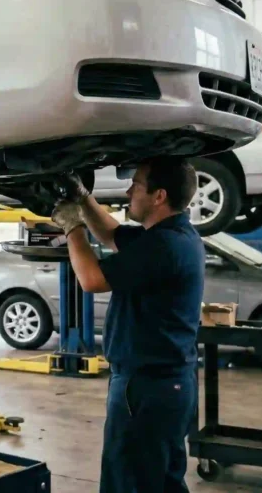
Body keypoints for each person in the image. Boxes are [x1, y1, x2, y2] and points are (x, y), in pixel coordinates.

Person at [51, 158, 203, 493]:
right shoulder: (172, 235)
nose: (128, 190)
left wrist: (71, 227)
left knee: (128, 483)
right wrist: (83, 198)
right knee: (162, 482)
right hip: (168, 385)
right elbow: (110, 235)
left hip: (146, 388)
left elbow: (92, 279)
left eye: (136, 184)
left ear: (158, 196)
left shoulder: (164, 246)